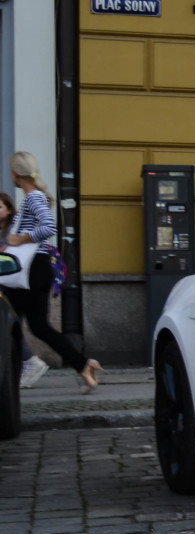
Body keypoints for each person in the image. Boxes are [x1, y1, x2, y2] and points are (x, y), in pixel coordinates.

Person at [2, 152, 102, 393]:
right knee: (36, 325)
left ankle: (25, 367)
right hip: (34, 268)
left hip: (31, 269)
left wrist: (18, 240)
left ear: (16, 174)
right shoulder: (31, 197)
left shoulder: (33, 197)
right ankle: (83, 366)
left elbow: (49, 227)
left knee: (12, 318)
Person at [0, 192, 48, 387]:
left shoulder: (15, 228)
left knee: (13, 324)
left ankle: (29, 362)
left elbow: (21, 250)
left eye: (0, 207)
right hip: (8, 283)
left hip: (16, 282)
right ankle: (25, 364)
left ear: (9, 209)